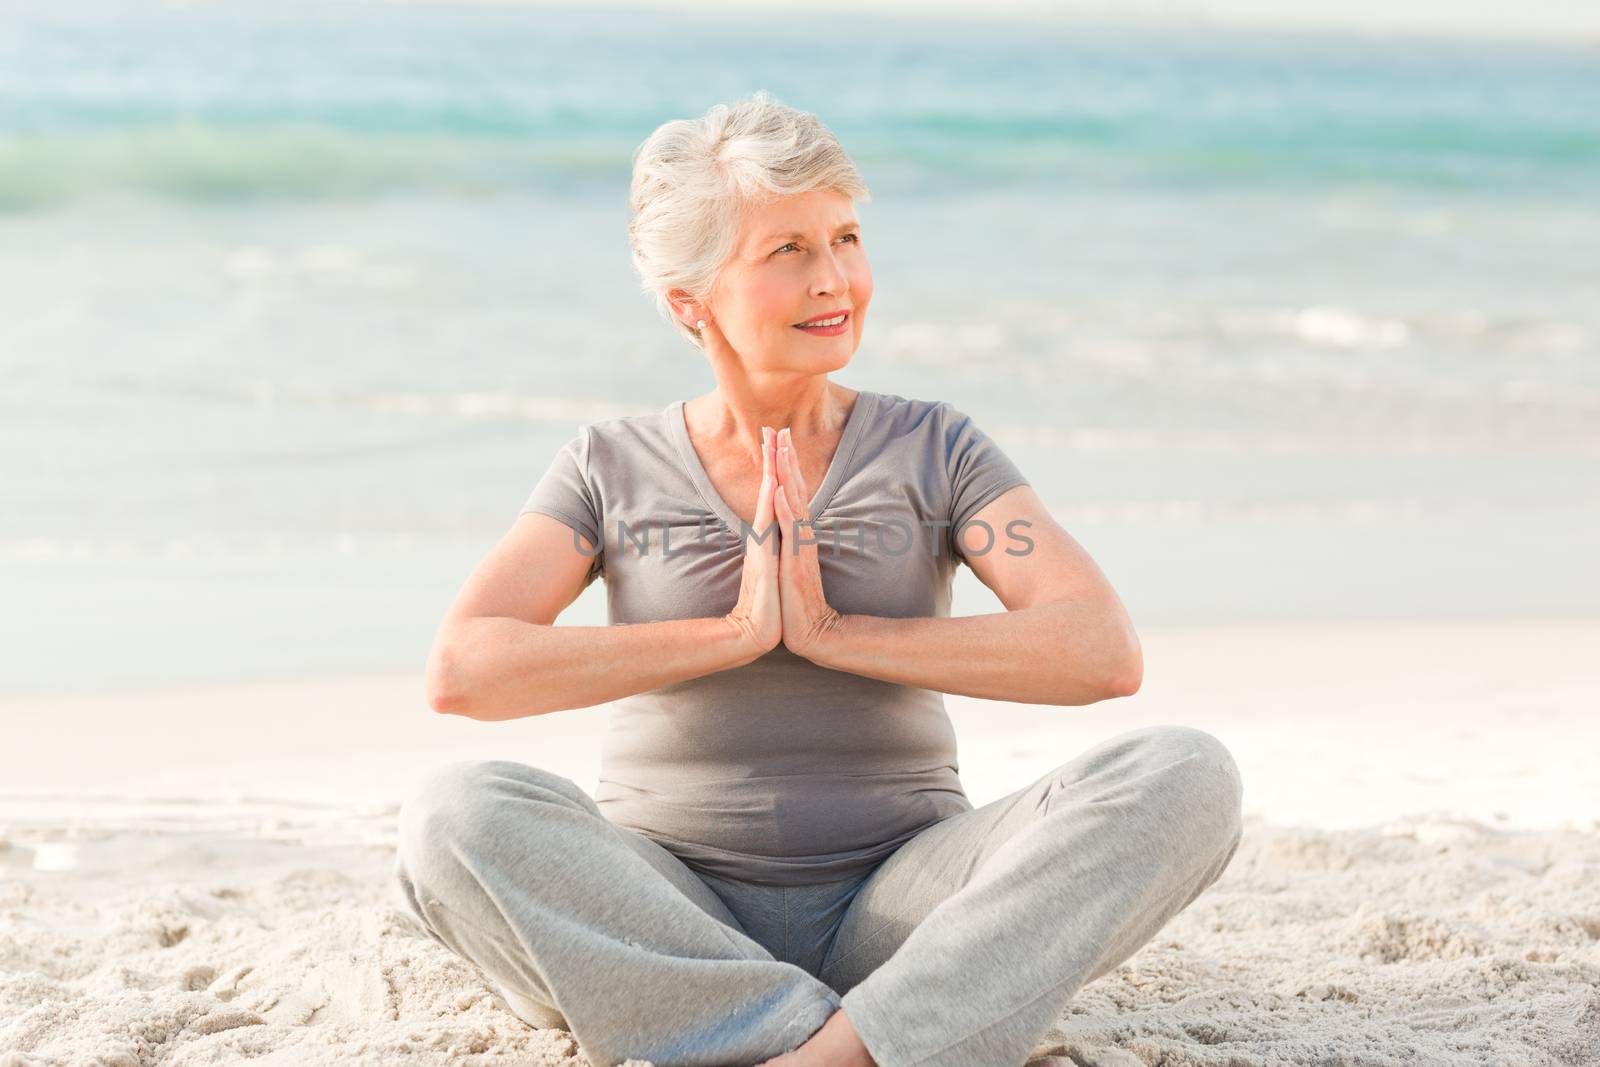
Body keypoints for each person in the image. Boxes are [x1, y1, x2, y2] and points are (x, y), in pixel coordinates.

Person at [393, 90, 1244, 1067]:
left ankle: (810, 1046)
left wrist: (837, 632)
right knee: (454, 813)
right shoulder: (607, 465)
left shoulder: (936, 449)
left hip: (906, 907)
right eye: (786, 250)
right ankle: (861, 1033)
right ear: (690, 300)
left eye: (843, 236)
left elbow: (1097, 649)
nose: (835, 277)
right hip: (665, 912)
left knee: (1184, 772)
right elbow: (465, 667)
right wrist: (731, 632)